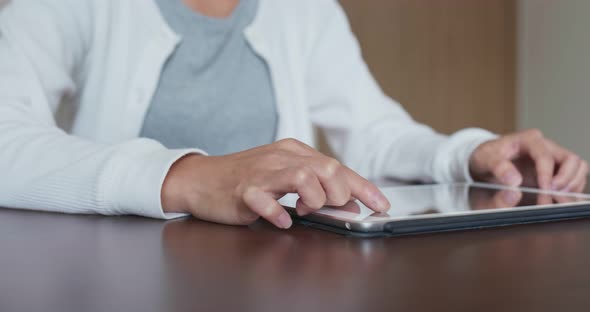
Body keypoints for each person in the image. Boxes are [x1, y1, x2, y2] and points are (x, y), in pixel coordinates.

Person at [0, 0, 586, 230]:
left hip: (279, 276)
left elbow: (374, 132)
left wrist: (465, 154)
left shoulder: (304, 10)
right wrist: (194, 176)